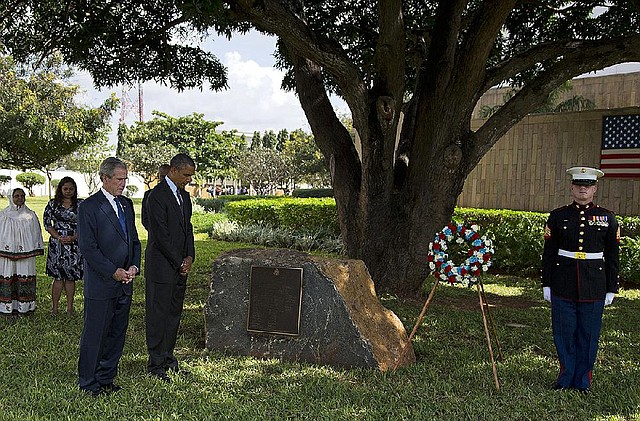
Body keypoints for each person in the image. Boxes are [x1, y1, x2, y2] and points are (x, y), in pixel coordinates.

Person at [542, 166, 619, 394]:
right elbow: (548, 253)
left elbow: (613, 256)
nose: (582, 189)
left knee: (588, 334)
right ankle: (565, 378)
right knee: (564, 333)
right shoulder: (558, 216)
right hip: (563, 282)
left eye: (587, 186)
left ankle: (582, 381)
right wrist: (546, 283)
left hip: (594, 285)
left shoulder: (607, 217)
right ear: (572, 187)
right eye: (578, 185)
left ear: (594, 189)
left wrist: (611, 288)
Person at [77, 157, 141, 396]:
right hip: (102, 284)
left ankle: (106, 378)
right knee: (95, 334)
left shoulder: (127, 205)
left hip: (125, 282)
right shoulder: (89, 207)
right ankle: (88, 382)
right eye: (119, 179)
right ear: (104, 178)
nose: (123, 183)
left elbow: (134, 240)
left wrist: (134, 266)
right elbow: (88, 248)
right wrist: (113, 272)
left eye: (125, 178)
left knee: (116, 333)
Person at [144, 153, 195, 382]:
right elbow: (160, 235)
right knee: (158, 316)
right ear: (173, 170)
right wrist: (178, 261)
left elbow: (188, 230)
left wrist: (190, 257)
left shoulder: (185, 197)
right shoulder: (156, 196)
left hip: (179, 267)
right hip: (162, 267)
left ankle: (168, 359)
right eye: (186, 175)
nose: (188, 180)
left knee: (173, 315)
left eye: (191, 176)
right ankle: (155, 364)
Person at [0, 188, 44, 315]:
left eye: (22, 195)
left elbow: (36, 234)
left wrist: (34, 248)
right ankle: (7, 307)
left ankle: (24, 307)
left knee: (24, 276)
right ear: (11, 197)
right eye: (16, 196)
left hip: (26, 256)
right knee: (8, 275)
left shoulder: (30, 216)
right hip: (6, 256)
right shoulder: (3, 216)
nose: (20, 198)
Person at [44, 176, 83, 315]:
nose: (68, 191)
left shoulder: (80, 205)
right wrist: (58, 237)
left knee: (71, 277)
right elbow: (47, 224)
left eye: (71, 189)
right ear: (60, 189)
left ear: (75, 190)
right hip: (57, 244)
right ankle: (54, 308)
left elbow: (86, 225)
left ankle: (70, 308)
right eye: (65, 188)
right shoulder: (53, 204)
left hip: (74, 244)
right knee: (58, 277)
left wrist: (73, 237)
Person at [142, 164, 170, 230]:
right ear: (158, 176)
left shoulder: (179, 195)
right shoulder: (148, 195)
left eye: (168, 177)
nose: (165, 180)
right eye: (163, 177)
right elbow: (145, 219)